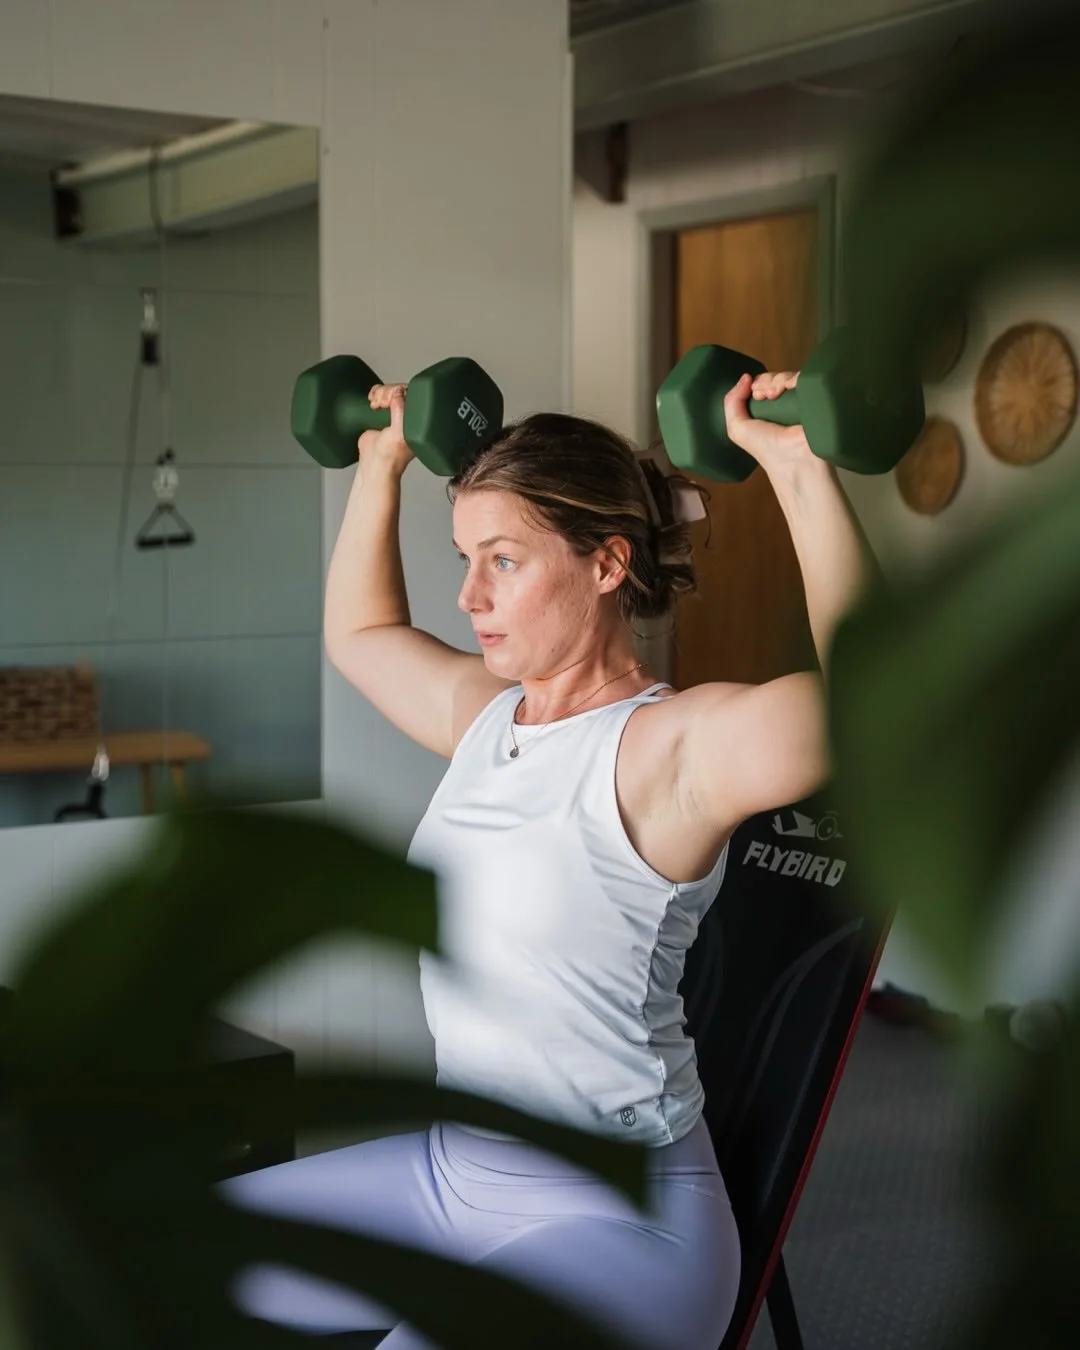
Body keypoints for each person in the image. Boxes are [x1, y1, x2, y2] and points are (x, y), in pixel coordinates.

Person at [222, 369, 877, 1349]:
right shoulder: (485, 724)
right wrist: (380, 460)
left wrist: (794, 464)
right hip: (448, 1177)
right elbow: (360, 635)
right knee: (143, 1260)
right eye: (463, 558)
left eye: (504, 561)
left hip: (617, 1220)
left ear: (608, 563)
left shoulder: (671, 752)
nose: (469, 594)